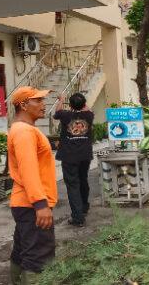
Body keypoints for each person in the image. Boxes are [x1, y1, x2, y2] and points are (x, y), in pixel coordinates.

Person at [7, 86, 57, 284]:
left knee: (22, 252)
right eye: (38, 100)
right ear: (24, 105)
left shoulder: (23, 129)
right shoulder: (24, 131)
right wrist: (40, 204)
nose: (43, 105)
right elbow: (28, 170)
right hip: (31, 204)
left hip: (25, 203)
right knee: (39, 258)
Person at [53, 93, 94, 227]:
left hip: (69, 156)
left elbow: (56, 112)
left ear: (70, 105)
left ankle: (78, 217)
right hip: (84, 155)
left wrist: (61, 100)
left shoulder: (65, 115)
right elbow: (87, 108)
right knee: (83, 180)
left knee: (72, 185)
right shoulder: (89, 115)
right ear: (84, 104)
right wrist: (81, 103)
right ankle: (84, 206)